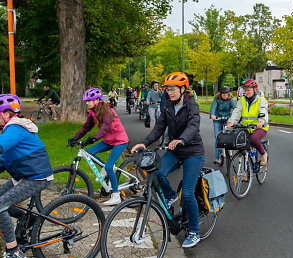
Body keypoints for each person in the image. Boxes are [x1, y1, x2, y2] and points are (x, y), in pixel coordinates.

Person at [131, 72, 204, 248]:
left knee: (187, 194)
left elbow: (194, 126)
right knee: (159, 173)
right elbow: (159, 128)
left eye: (173, 89)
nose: (169, 93)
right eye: (167, 89)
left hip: (193, 152)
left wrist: (182, 139)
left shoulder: (191, 106)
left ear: (183, 89)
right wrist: (144, 143)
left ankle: (194, 232)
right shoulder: (168, 106)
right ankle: (171, 196)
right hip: (176, 150)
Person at [0, 94, 53, 258]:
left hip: (37, 177)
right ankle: (26, 218)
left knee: (0, 206)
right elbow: (3, 160)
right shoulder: (9, 130)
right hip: (24, 176)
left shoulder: (14, 128)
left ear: (6, 114)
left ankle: (13, 252)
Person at [68, 88, 129, 206]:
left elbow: (106, 126)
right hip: (108, 140)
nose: (86, 103)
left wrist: (95, 137)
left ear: (96, 100)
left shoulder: (106, 110)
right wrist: (75, 137)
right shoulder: (93, 112)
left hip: (120, 140)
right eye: (86, 101)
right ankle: (105, 168)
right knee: (89, 153)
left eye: (88, 101)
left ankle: (116, 196)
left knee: (110, 166)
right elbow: (86, 127)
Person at [226, 79, 269, 165]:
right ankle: (247, 172)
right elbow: (237, 111)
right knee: (242, 144)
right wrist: (231, 121)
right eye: (245, 90)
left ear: (254, 90)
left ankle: (263, 154)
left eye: (248, 90)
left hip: (260, 127)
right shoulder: (242, 100)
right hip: (247, 127)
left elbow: (263, 111)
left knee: (253, 139)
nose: (246, 92)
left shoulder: (261, 100)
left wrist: (261, 121)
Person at [210, 86, 236, 164]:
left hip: (227, 119)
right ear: (220, 94)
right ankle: (217, 157)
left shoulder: (230, 100)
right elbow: (213, 108)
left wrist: (234, 118)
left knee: (228, 136)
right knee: (218, 137)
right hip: (217, 119)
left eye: (226, 94)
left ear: (229, 94)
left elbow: (235, 108)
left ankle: (230, 153)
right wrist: (212, 115)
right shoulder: (216, 99)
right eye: (223, 94)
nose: (225, 95)